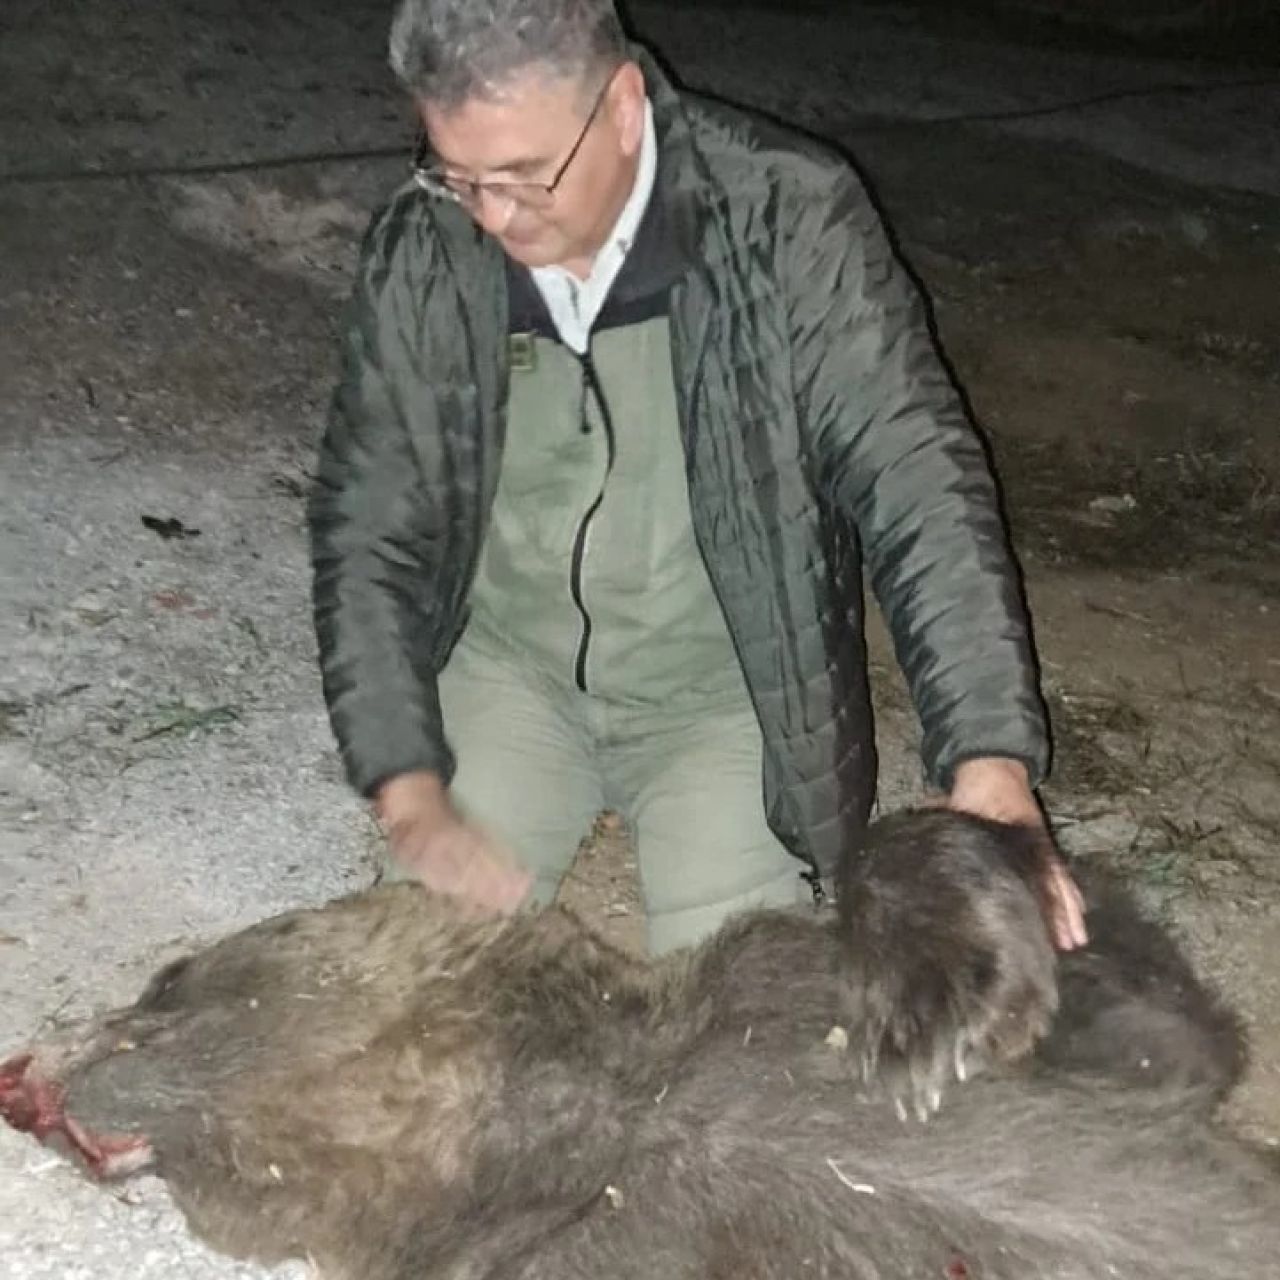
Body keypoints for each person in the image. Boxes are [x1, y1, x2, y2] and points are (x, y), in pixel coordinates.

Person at [308, 0, 1087, 955]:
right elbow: (366, 523)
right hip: (509, 669)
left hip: (720, 692)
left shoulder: (785, 217)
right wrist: (408, 787)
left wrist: (988, 757)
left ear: (625, 106)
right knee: (410, 974)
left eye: (524, 178)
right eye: (460, 176)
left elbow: (916, 476)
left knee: (740, 1007)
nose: (495, 218)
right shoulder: (425, 244)